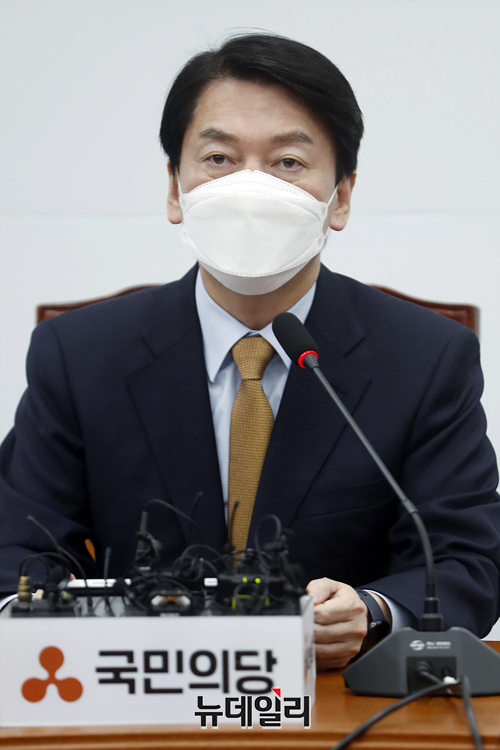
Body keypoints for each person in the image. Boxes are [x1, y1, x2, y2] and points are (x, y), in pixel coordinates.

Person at [0, 33, 499, 670]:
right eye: (219, 158)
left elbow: (465, 559)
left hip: (331, 698)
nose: (250, 188)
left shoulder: (425, 359)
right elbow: (17, 545)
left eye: (288, 162)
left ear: (340, 196)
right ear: (176, 189)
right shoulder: (80, 355)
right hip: (138, 689)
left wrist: (374, 612)